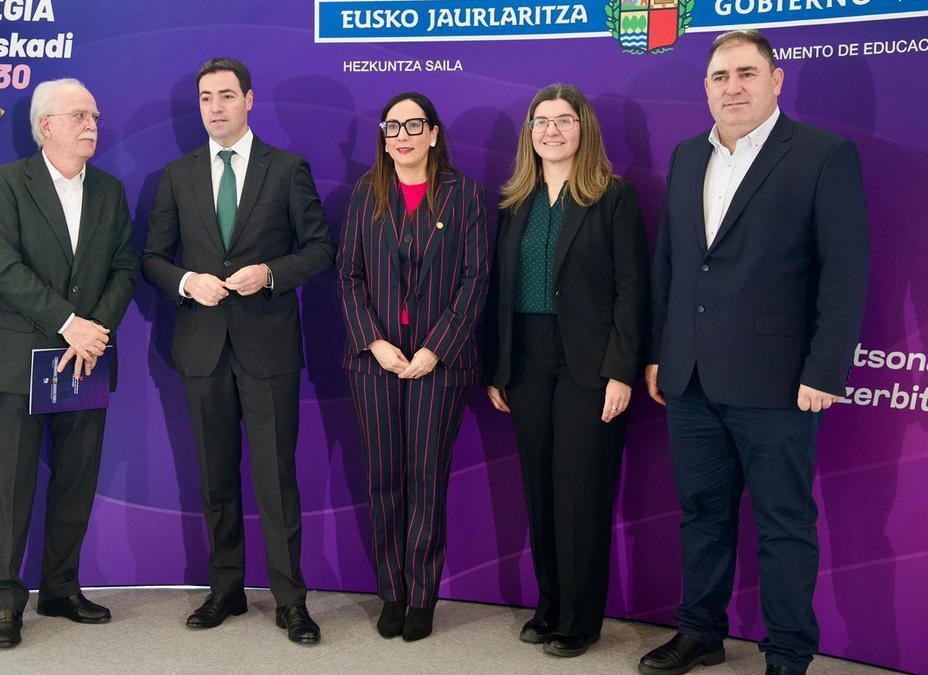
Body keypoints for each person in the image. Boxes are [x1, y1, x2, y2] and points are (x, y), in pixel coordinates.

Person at [639, 30, 869, 675]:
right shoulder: (688, 155)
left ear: (776, 80)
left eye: (746, 73)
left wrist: (825, 369)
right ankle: (701, 632)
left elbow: (846, 272)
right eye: (720, 76)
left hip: (779, 382)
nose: (732, 87)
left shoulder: (822, 155)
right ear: (706, 87)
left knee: (784, 524)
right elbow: (671, 263)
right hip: (689, 378)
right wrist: (659, 351)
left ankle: (789, 655)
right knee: (702, 516)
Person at [141, 57, 335, 644]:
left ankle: (291, 601)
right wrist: (185, 282)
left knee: (276, 479)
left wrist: (271, 273)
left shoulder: (287, 169)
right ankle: (225, 589)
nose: (215, 107)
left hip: (267, 348)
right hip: (201, 348)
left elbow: (321, 248)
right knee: (215, 477)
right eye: (206, 97)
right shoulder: (177, 175)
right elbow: (152, 259)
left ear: (249, 100)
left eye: (226, 95)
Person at [483, 83, 649, 657]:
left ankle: (579, 621)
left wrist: (621, 370)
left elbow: (632, 287)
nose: (551, 131)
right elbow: (500, 291)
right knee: (541, 489)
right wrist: (498, 368)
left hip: (589, 362)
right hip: (526, 360)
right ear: (529, 133)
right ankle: (549, 606)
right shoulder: (515, 201)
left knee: (580, 492)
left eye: (563, 120)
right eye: (541, 121)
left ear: (584, 129)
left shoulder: (613, 197)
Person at [0, 78, 138, 649]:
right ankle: (5, 602)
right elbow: (2, 266)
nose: (92, 125)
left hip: (86, 359)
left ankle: (61, 588)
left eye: (94, 116)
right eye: (79, 116)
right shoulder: (6, 183)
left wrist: (93, 332)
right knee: (13, 482)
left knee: (77, 477)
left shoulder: (110, 191)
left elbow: (125, 268)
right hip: (23, 354)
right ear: (46, 126)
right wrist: (69, 323)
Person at [338, 91, 489, 641]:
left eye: (413, 125)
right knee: (383, 480)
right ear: (383, 138)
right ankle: (392, 592)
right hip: (375, 363)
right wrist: (373, 342)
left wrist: (436, 348)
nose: (402, 136)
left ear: (433, 134)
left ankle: (422, 596)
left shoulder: (464, 195)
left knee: (426, 480)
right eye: (392, 127)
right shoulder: (366, 193)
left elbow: (476, 278)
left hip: (438, 364)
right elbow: (348, 275)